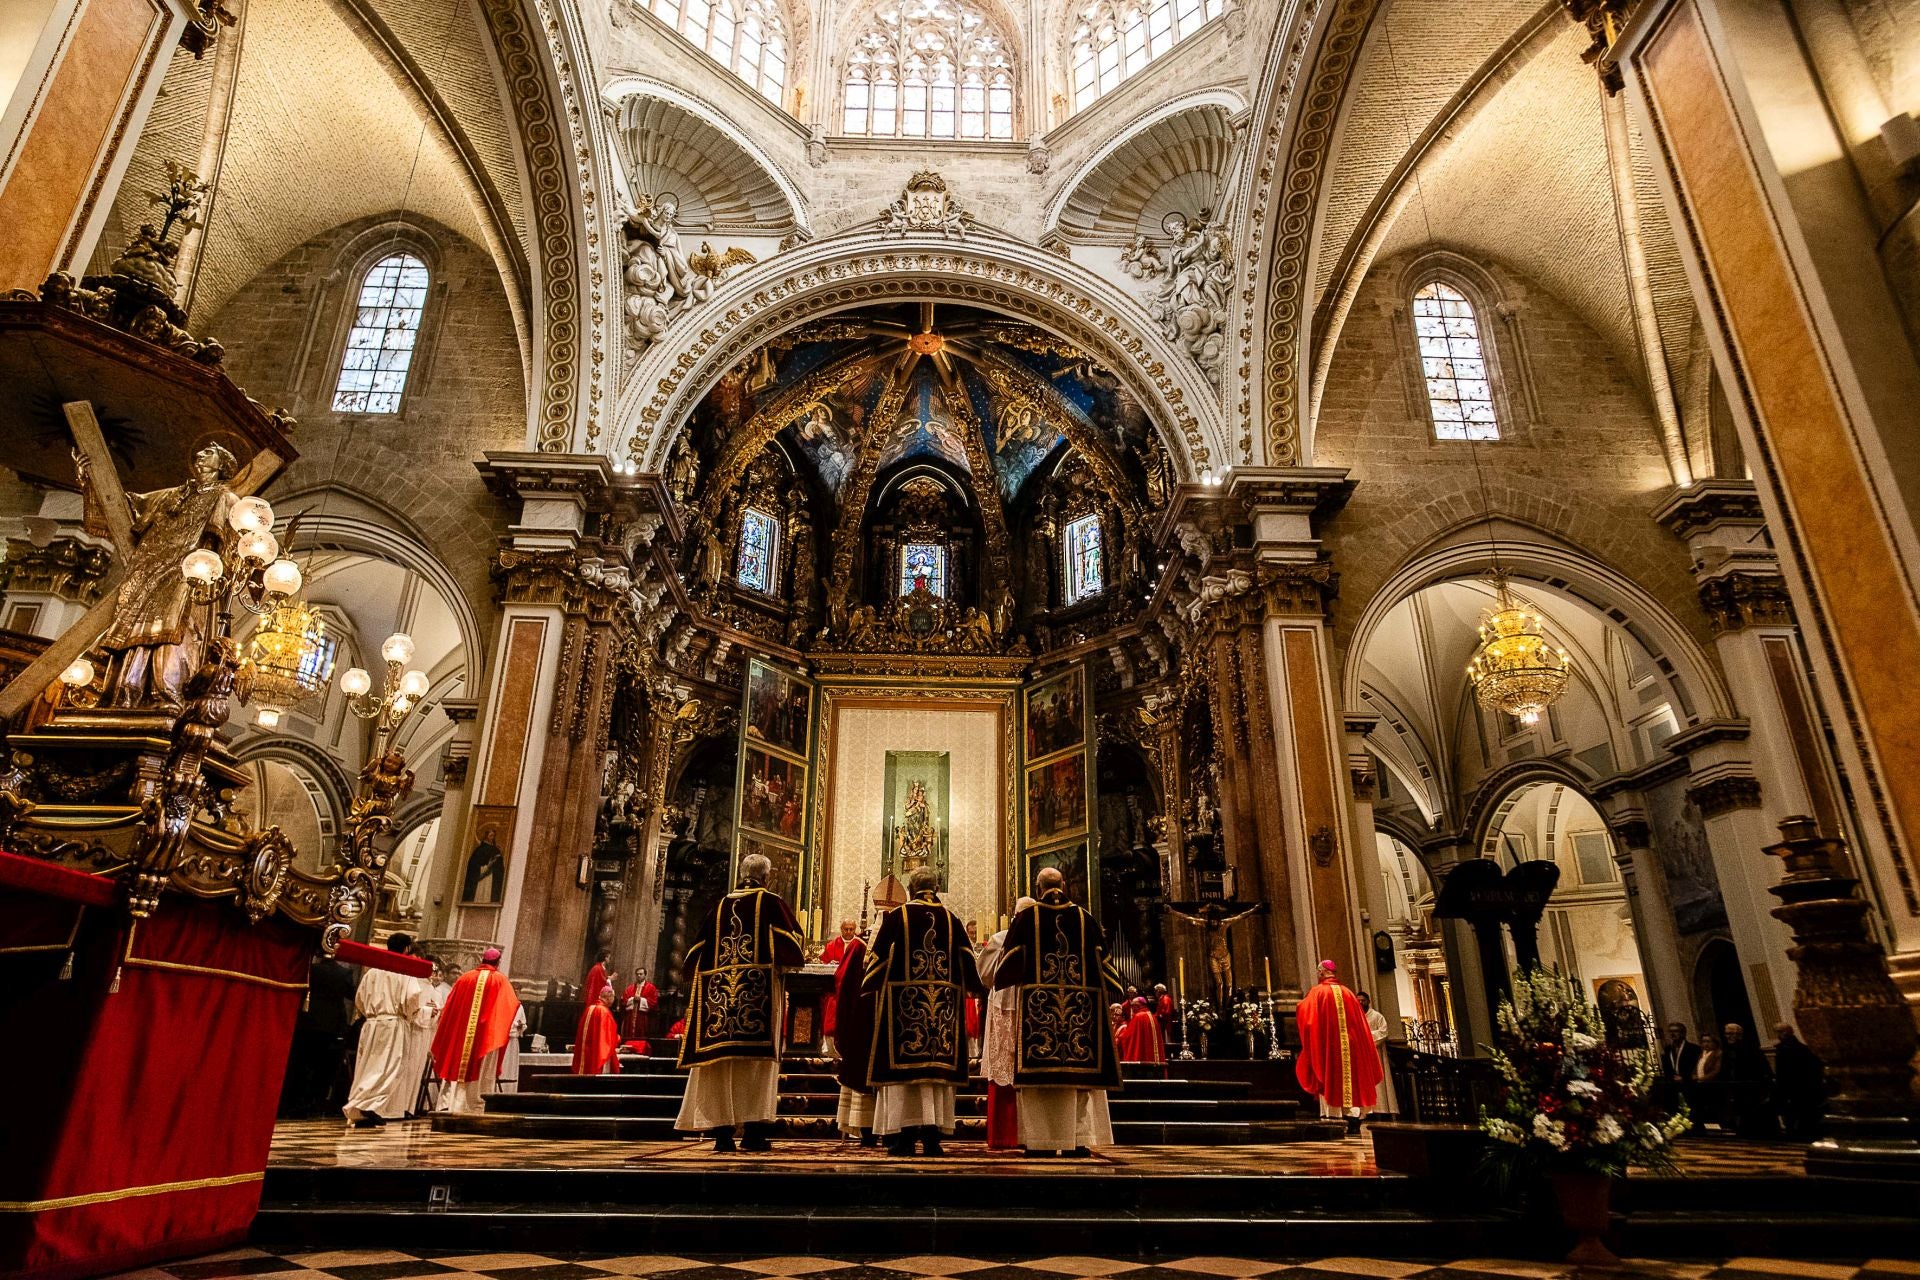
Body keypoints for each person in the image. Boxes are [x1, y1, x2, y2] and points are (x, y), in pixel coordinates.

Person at [675, 853, 806, 1152]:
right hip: (758, 1000)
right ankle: (753, 1132)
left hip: (718, 1002)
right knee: (755, 1067)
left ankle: (722, 1133)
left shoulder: (719, 906)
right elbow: (794, 948)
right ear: (767, 877)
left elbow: (694, 954)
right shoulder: (771, 903)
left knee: (721, 1065)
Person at [993, 867, 1124, 1157]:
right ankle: (1077, 1139)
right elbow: (1107, 967)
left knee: (1041, 1081)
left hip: (1038, 1012)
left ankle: (1040, 1142)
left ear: (1038, 889)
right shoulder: (1085, 918)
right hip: (1080, 1011)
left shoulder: (1027, 918)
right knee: (1076, 1079)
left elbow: (1006, 965)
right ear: (1063, 885)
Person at [862, 867, 981, 1157]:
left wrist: (868, 985)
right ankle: (932, 1137)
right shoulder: (952, 920)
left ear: (911, 889)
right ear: (935, 887)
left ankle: (904, 1138)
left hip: (904, 1010)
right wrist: (976, 988)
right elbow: (968, 963)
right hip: (942, 1012)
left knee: (906, 1074)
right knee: (934, 1076)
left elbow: (875, 961)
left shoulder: (898, 917)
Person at [342, 934, 429, 1128]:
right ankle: (365, 1105)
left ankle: (359, 1110)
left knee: (367, 1066)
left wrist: (370, 1013)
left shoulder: (373, 971)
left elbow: (360, 998)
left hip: (371, 1023)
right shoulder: (405, 971)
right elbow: (413, 995)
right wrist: (411, 1013)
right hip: (393, 1023)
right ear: (407, 949)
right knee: (387, 1067)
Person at [432, 947, 525, 1114]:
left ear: (482, 960)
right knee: (483, 1072)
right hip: (486, 1038)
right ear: (498, 962)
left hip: (461, 1035)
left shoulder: (464, 978)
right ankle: (476, 1107)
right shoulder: (500, 981)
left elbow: (450, 1008)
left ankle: (451, 1105)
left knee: (458, 1067)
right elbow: (510, 1008)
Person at [1294, 960, 1381, 1135]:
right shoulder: (1348, 993)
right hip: (1352, 1046)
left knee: (1331, 1077)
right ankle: (1354, 1116)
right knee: (1353, 1078)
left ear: (1321, 972)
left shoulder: (1318, 993)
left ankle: (1335, 1117)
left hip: (1330, 1047)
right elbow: (1361, 1024)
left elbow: (1308, 1019)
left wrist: (1299, 1007)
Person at [977, 897, 1034, 1150]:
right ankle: (1031, 1133)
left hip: (1005, 1002)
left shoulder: (1001, 938)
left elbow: (985, 975)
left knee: (1006, 1064)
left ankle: (1005, 1134)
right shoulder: (1040, 937)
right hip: (1026, 1006)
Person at [829, 923, 878, 1146]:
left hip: (863, 1024)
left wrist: (845, 1027)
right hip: (870, 1024)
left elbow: (845, 987)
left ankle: (867, 1130)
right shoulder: (860, 946)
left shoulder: (860, 947)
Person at [1722, 1021, 1776, 1137]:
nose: (1729, 1037)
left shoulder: (1750, 1048)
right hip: (1737, 1087)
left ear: (1740, 1035)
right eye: (1727, 1034)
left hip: (1752, 1087)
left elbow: (1762, 1068)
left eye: (1732, 1034)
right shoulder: (1727, 1050)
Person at [1771, 1023, 1825, 1138]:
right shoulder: (1782, 1049)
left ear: (1790, 1032)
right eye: (1778, 1032)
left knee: (1798, 1113)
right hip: (1786, 1085)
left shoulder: (1800, 1049)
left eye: (1782, 1031)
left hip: (1799, 1086)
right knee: (1789, 1114)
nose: (1780, 1034)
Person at [818, 920, 859, 1049]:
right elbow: (823, 962)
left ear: (855, 929)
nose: (848, 932)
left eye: (851, 929)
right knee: (830, 1004)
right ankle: (829, 1046)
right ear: (841, 929)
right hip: (833, 987)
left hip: (852, 989)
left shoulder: (859, 945)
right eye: (846, 929)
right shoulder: (832, 945)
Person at [1357, 991, 1398, 1116]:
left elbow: (1383, 1032)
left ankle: (1381, 1109)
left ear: (1368, 1001)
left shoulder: (1377, 1016)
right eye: (1358, 1000)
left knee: (1378, 1081)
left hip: (1376, 1052)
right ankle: (1365, 1110)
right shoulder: (1355, 1016)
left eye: (1362, 1000)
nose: (1360, 1003)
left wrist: (1366, 1036)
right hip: (1361, 1054)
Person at [572, 985, 622, 1076]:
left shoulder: (589, 1008)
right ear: (609, 997)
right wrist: (617, 1038)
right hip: (597, 1053)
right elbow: (607, 1038)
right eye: (613, 997)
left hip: (586, 1052)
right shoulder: (604, 1011)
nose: (614, 1000)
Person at [1657, 1021, 1701, 1111]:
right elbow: (1666, 1066)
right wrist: (1671, 1077)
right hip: (1673, 1086)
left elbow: (1694, 1066)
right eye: (1670, 1031)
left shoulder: (1693, 1048)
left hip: (1688, 1085)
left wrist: (1684, 1077)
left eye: (1676, 1031)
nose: (1673, 1034)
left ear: (1683, 1033)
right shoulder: (1668, 1049)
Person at [1116, 996, 1165, 1065]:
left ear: (1138, 1006)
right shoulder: (1153, 1016)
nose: (1132, 1009)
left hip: (1142, 1059)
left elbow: (1128, 1037)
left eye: (1133, 1006)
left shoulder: (1138, 1017)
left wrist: (1119, 1037)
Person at [623, 967, 659, 1041]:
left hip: (643, 1018)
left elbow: (654, 1002)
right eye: (637, 974)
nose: (639, 976)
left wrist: (641, 1000)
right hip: (631, 1017)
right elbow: (624, 1000)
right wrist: (632, 999)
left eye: (641, 974)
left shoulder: (651, 988)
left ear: (645, 975)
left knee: (641, 1037)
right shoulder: (630, 988)